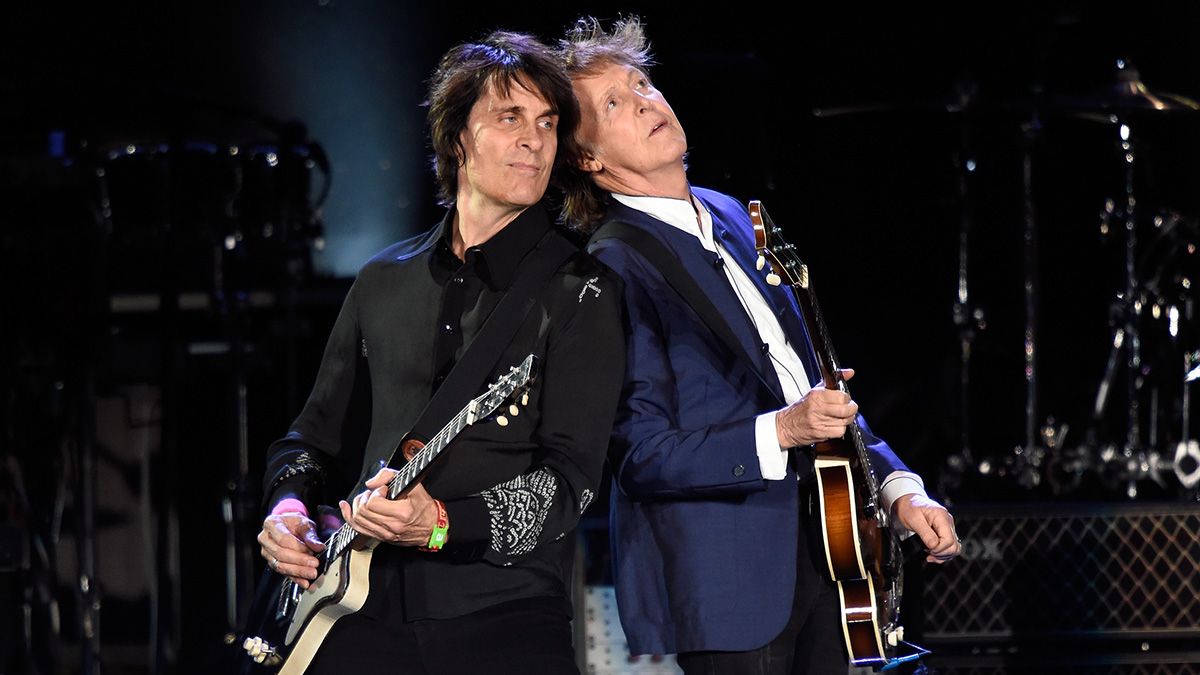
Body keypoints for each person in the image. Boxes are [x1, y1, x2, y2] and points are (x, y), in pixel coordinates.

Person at [558, 17, 961, 674]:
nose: (644, 102)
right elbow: (643, 456)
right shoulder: (610, 270)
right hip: (730, 586)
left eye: (642, 84)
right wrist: (783, 429)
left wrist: (896, 485)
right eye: (613, 104)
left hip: (835, 555)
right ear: (586, 158)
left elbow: (814, 381)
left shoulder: (733, 215)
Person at [254, 30, 624, 674]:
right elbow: (311, 439)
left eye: (547, 122)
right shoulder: (381, 279)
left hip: (505, 614)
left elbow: (573, 483)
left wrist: (446, 522)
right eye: (510, 118)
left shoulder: (582, 289)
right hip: (355, 609)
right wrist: (287, 509)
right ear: (458, 139)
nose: (535, 140)